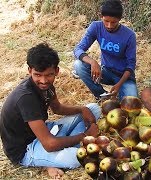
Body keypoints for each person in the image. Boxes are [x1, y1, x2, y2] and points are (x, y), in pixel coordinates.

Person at [0, 43, 101, 179]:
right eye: (38, 75)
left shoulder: (47, 87)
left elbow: (57, 108)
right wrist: (85, 135)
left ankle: (58, 153)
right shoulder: (26, 98)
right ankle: (49, 160)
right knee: (74, 158)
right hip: (26, 149)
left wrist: (82, 109)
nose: (43, 80)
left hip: (44, 132)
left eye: (49, 75)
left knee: (93, 108)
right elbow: (49, 144)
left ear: (57, 71)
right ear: (29, 71)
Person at [73, 0, 138, 101]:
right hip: (105, 72)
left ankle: (119, 94)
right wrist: (93, 62)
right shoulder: (96, 27)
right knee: (78, 65)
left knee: (131, 102)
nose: (109, 26)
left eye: (114, 22)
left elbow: (131, 65)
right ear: (101, 16)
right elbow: (78, 49)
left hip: (124, 77)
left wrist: (119, 84)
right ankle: (101, 95)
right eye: (106, 21)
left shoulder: (129, 35)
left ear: (120, 19)